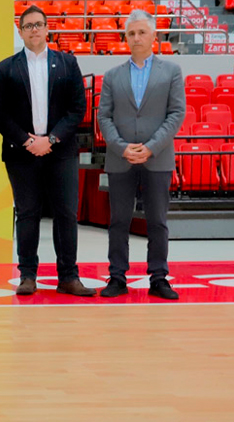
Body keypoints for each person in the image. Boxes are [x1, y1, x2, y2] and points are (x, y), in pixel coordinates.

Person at [0, 5, 95, 297]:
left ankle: (68, 276)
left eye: (39, 24)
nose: (34, 30)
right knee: (27, 214)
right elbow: (0, 113)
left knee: (66, 213)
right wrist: (28, 141)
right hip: (20, 152)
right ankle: (27, 275)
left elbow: (77, 109)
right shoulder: (6, 67)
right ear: (20, 31)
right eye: (28, 26)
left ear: (47, 28)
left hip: (60, 151)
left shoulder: (67, 63)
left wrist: (50, 140)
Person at [97, 9, 185, 300]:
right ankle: (117, 276)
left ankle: (159, 277)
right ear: (126, 37)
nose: (136, 38)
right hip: (120, 159)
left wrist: (150, 147)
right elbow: (104, 118)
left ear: (154, 36)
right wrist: (123, 147)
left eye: (141, 32)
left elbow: (176, 113)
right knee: (118, 220)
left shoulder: (171, 72)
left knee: (157, 221)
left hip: (157, 158)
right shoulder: (112, 76)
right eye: (131, 33)